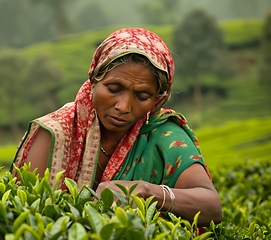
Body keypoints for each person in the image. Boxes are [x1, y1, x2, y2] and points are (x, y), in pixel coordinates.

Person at [11, 28, 222, 226]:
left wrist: (149, 192)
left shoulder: (163, 134)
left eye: (142, 96)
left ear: (157, 100)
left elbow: (211, 206)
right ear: (94, 80)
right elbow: (25, 216)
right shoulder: (55, 133)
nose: (123, 106)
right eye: (113, 89)